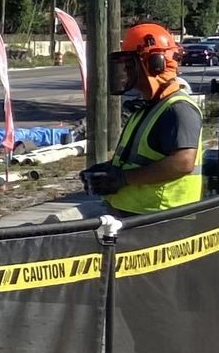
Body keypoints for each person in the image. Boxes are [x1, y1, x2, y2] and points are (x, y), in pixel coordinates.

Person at [80, 21, 204, 214]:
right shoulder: (148, 107)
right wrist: (107, 171)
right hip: (137, 215)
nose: (125, 73)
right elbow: (135, 159)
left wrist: (124, 178)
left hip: (160, 221)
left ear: (155, 64)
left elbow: (183, 163)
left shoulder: (178, 110)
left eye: (130, 65)